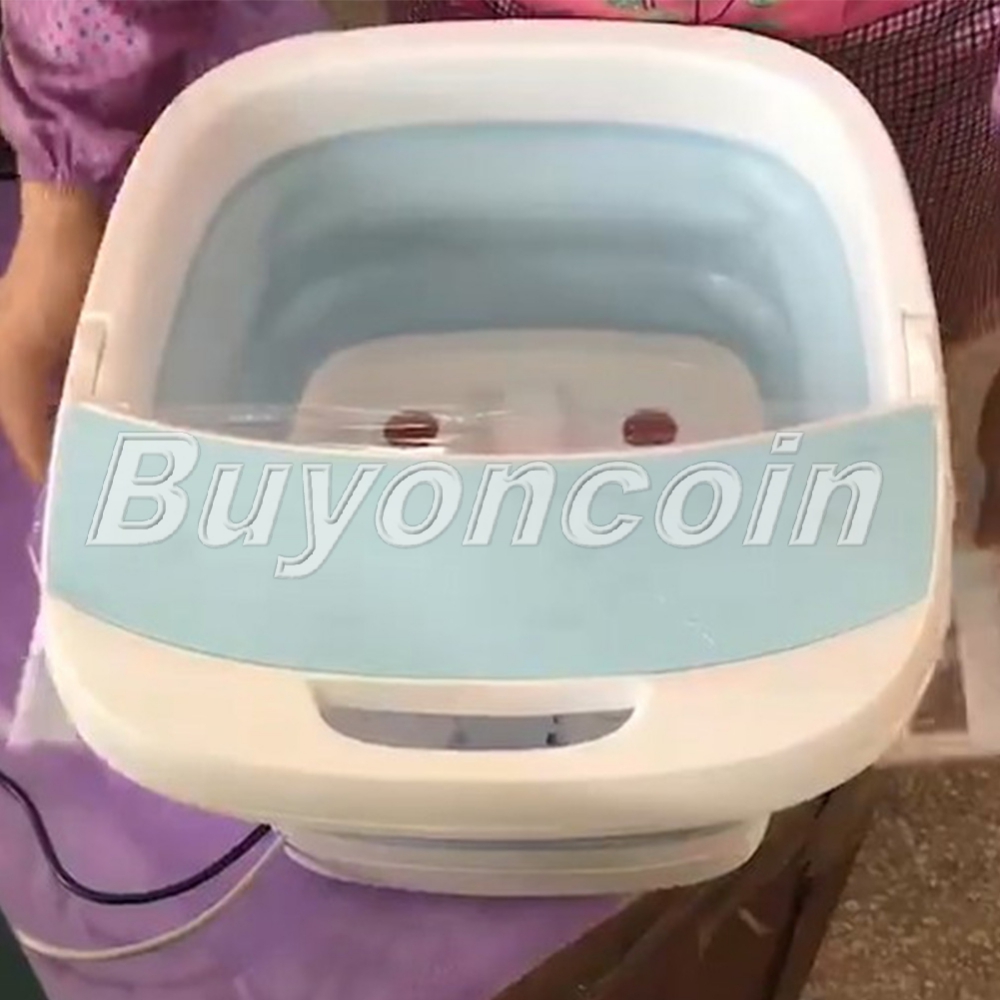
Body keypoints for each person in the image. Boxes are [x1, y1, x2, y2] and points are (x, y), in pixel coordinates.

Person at [1, 1, 999, 538]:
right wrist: (64, 184)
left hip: (922, 59)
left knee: (871, 369)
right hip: (493, 24)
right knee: (452, 324)